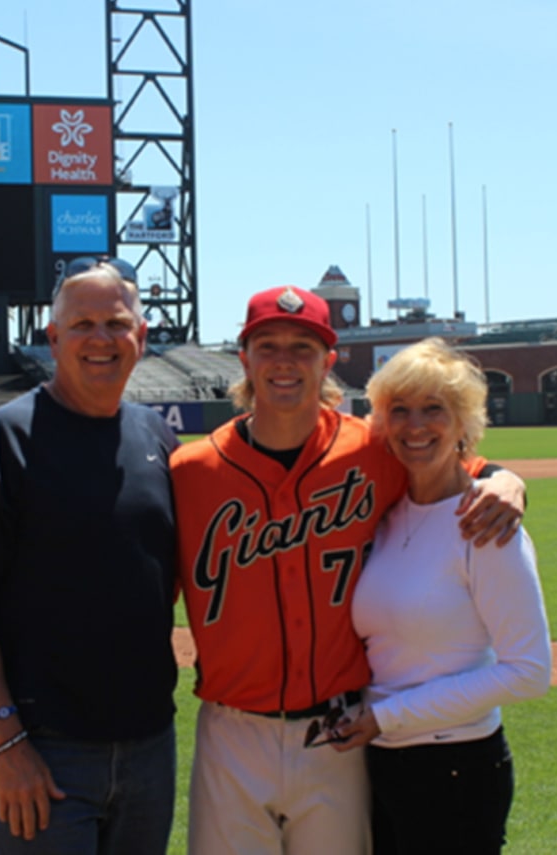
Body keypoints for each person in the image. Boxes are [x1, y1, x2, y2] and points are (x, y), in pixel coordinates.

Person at [170, 286, 527, 855]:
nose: (284, 360)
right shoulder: (190, 471)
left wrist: (508, 479)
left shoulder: (375, 449)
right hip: (230, 730)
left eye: (303, 347)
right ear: (244, 357)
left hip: (338, 731)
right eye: (267, 345)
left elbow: (464, 467)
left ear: (328, 361)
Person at [0, 258, 179, 854]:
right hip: (47, 750)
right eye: (82, 325)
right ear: (52, 338)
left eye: (116, 323)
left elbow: (164, 573)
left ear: (141, 337)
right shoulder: (2, 439)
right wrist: (5, 743)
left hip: (151, 743)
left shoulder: (156, 436)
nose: (101, 339)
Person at [334, 337, 551, 854]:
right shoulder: (385, 517)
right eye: (399, 411)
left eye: (434, 410)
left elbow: (529, 671)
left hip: (456, 767)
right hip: (382, 762)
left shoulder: (486, 523)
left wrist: (386, 716)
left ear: (463, 423)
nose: (415, 426)